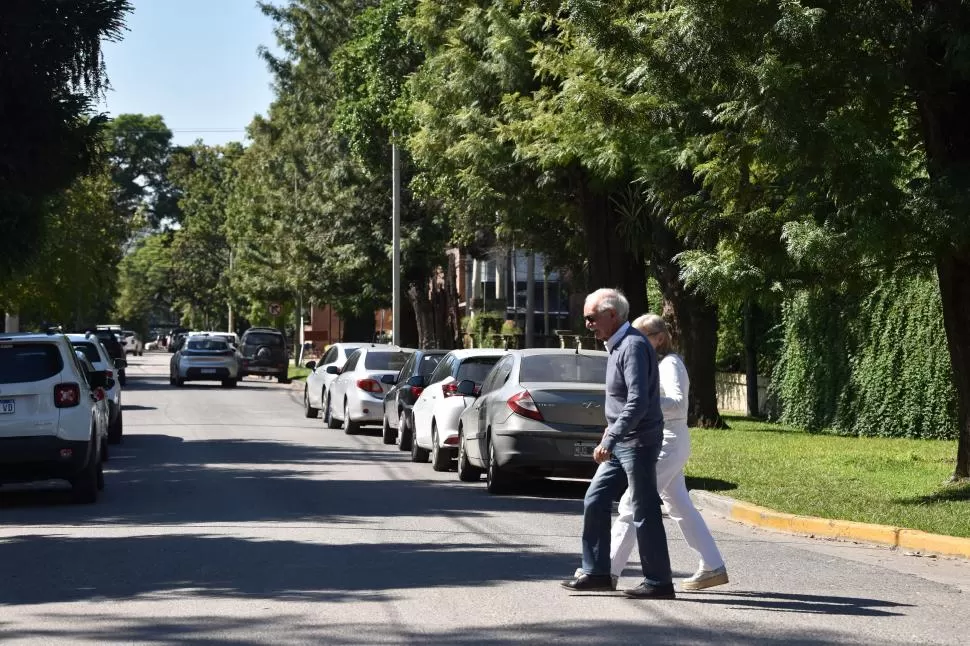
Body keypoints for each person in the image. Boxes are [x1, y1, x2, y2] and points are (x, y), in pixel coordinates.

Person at [561, 288, 675, 599]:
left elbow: (637, 402)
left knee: (644, 508)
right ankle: (597, 572)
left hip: (637, 442)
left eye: (591, 318)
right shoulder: (617, 346)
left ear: (612, 315)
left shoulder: (633, 347)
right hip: (622, 439)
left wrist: (611, 437)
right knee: (595, 500)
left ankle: (659, 582)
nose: (587, 324)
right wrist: (610, 434)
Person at [608, 314, 729, 590]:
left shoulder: (670, 364)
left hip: (669, 439)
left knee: (632, 501)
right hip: (665, 439)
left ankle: (608, 570)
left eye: (642, 336)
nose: (636, 341)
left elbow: (677, 404)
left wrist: (643, 401)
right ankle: (712, 566)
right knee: (680, 506)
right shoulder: (656, 363)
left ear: (659, 338)